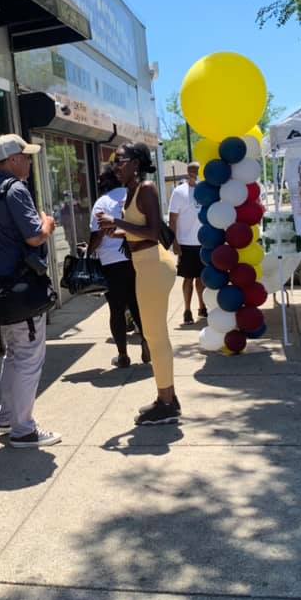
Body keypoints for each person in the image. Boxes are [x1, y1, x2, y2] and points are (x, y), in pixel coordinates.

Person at [0, 133, 60, 448]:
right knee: (28, 357)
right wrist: (48, 223)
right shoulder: (15, 190)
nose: (29, 162)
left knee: (13, 354)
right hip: (21, 289)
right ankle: (23, 429)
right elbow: (34, 237)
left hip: (1, 289)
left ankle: (6, 416)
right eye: (25, 157)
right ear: (13, 160)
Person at [97, 142, 180, 426]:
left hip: (153, 266)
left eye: (120, 160)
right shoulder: (132, 191)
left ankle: (166, 403)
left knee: (155, 337)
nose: (115, 166)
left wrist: (117, 221)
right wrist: (116, 230)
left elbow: (153, 231)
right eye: (114, 161)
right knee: (155, 335)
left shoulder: (146, 189)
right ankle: (167, 397)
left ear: (136, 162)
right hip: (144, 265)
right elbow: (138, 233)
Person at [89, 167, 150, 368]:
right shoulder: (132, 196)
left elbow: (97, 235)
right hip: (136, 258)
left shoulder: (102, 203)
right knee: (137, 304)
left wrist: (88, 251)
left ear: (103, 184)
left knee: (116, 310)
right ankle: (146, 341)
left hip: (111, 263)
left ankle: (123, 355)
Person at [168, 161, 206, 324]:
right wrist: (174, 242)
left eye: (196, 171)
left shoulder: (207, 190)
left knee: (202, 278)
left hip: (205, 242)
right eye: (191, 171)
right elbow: (172, 219)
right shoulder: (179, 192)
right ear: (187, 172)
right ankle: (187, 310)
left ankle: (202, 307)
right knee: (188, 278)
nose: (194, 173)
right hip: (186, 243)